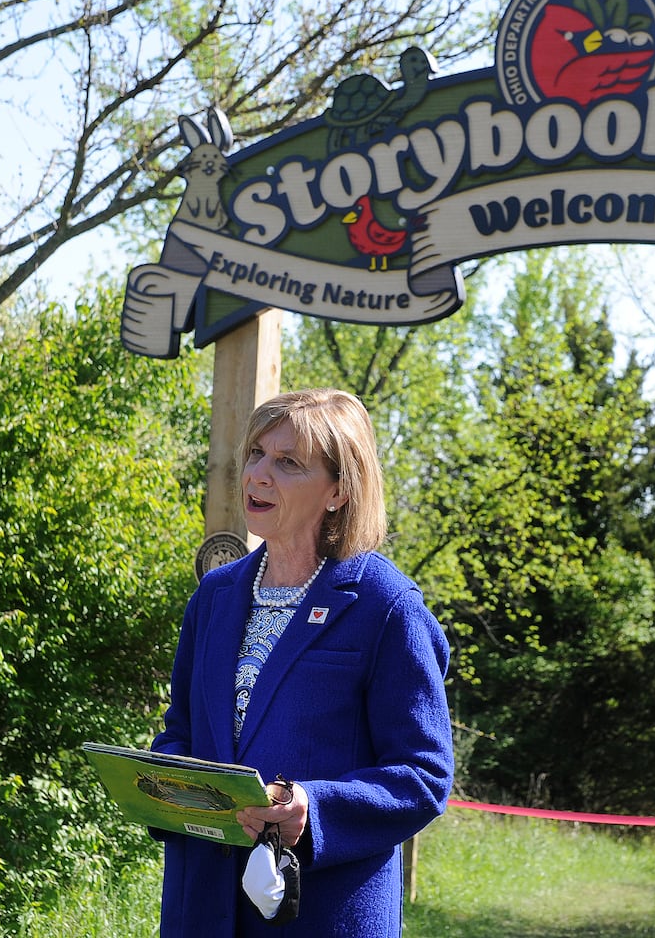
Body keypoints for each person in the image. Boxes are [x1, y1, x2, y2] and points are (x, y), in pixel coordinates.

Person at [152, 388, 454, 937]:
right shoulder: (214, 597)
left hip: (321, 913)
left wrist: (312, 809)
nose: (258, 475)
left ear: (339, 490)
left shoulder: (387, 606)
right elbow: (181, 734)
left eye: (287, 462)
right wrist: (162, 783)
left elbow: (423, 776)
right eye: (255, 454)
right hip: (201, 910)